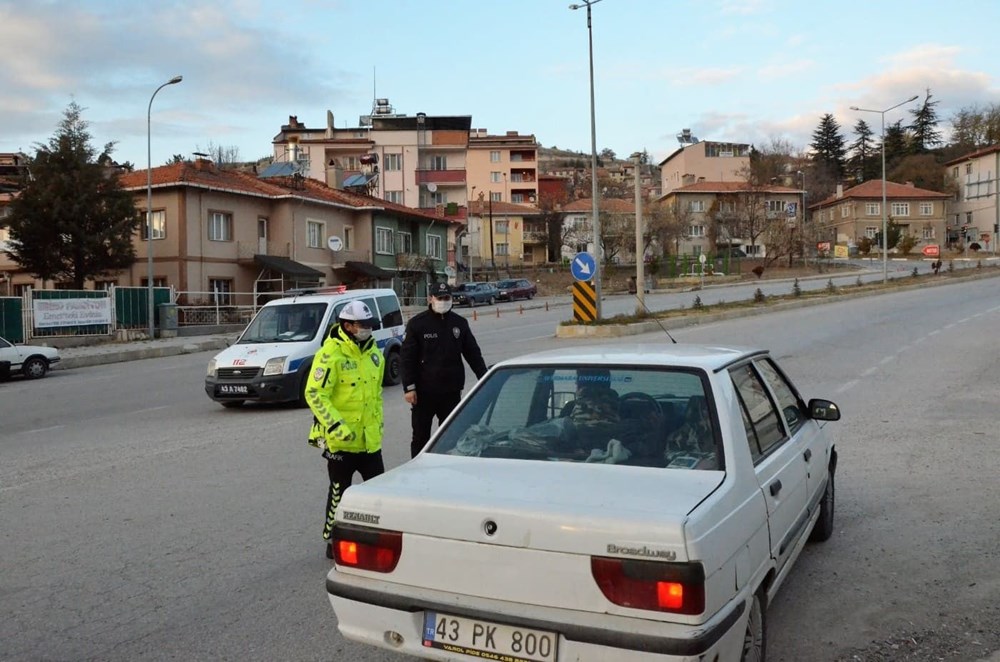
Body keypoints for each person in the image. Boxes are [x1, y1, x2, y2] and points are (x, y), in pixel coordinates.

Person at [305, 300, 385, 559]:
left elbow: (376, 395)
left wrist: (378, 425)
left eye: (370, 325)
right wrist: (336, 425)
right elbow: (315, 393)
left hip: (370, 440)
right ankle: (332, 539)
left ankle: (376, 538)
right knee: (339, 492)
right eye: (362, 326)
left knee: (379, 493)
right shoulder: (330, 355)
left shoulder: (375, 354)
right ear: (347, 325)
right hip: (341, 442)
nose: (367, 330)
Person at [401, 282, 488, 458]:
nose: (443, 301)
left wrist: (484, 377)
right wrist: (409, 387)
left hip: (451, 391)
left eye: (447, 298)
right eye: (439, 298)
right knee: (420, 437)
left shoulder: (459, 323)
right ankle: (418, 470)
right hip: (424, 393)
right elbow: (407, 358)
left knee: (451, 435)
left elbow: (472, 353)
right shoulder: (417, 324)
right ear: (430, 299)